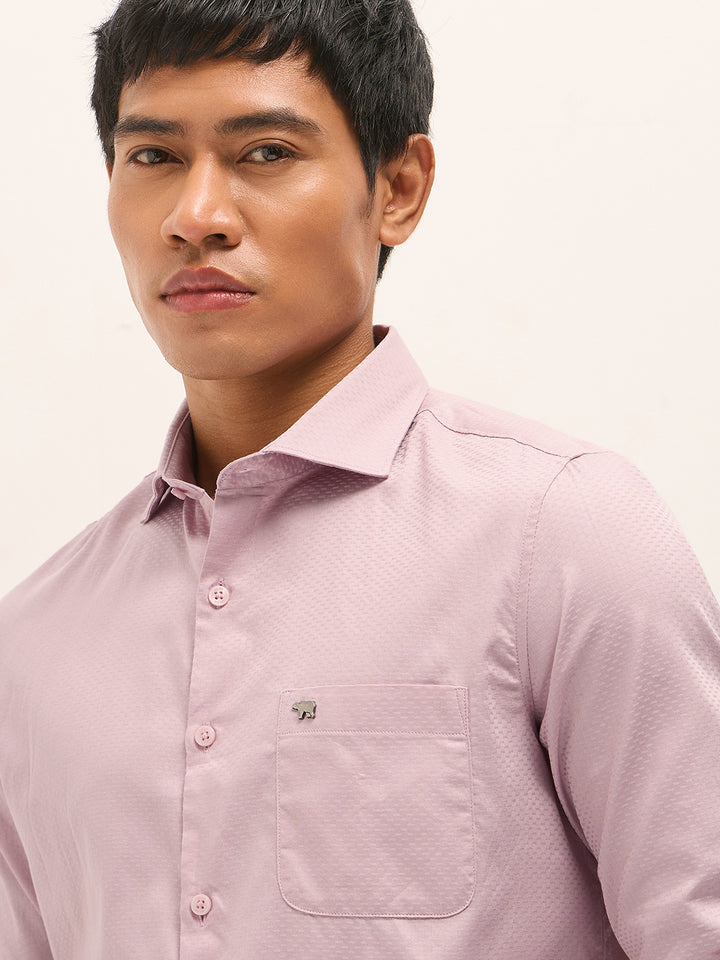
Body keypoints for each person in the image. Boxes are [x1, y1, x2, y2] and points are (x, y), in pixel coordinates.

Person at [1, 0, 719, 957]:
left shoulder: (563, 538)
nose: (195, 216)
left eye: (265, 152)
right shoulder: (35, 641)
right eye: (154, 156)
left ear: (400, 189)